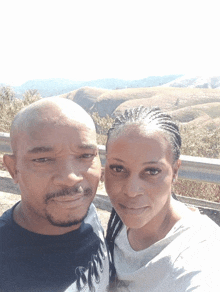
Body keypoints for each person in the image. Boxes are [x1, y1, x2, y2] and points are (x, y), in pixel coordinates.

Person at [105, 106, 220, 292]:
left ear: (175, 171)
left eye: (151, 171)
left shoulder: (202, 251)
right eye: (118, 169)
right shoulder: (117, 224)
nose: (131, 191)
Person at [1, 97, 109, 292]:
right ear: (13, 169)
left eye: (85, 156)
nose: (70, 178)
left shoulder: (85, 209)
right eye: (43, 159)